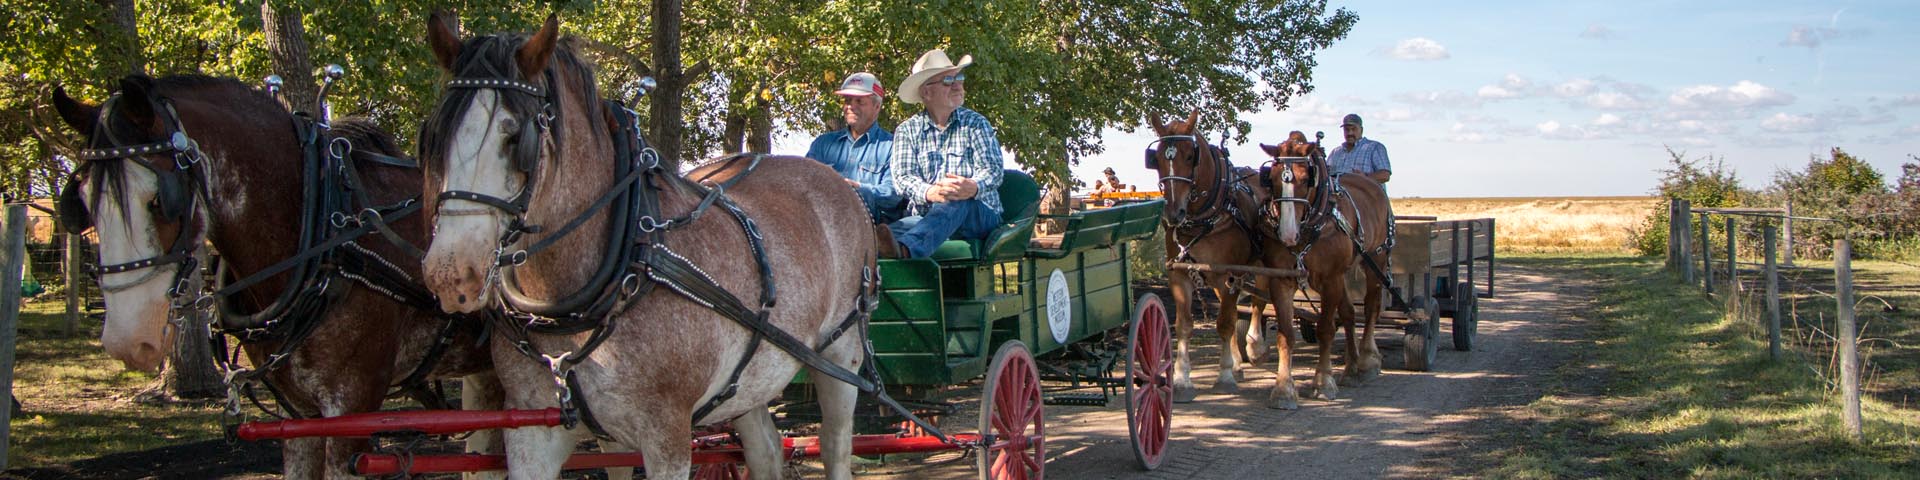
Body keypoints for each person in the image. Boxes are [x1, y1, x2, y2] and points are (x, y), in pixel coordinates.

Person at [886, 48, 1004, 258]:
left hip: (977, 214)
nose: (958, 84)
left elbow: (993, 170)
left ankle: (906, 250)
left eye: (959, 77)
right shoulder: (907, 130)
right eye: (948, 80)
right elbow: (902, 177)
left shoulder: (976, 124)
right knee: (881, 234)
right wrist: (929, 192)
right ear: (926, 92)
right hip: (925, 217)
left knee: (956, 198)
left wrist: (972, 186)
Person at [806, 72, 906, 224]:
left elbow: (893, 195)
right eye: (847, 101)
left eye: (859, 101)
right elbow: (804, 183)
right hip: (822, 224)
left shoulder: (893, 147)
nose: (851, 107)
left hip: (871, 228)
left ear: (877, 106)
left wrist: (857, 190)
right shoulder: (822, 144)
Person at [1327, 113, 1392, 184]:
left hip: (1367, 194)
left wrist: (1364, 178)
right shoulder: (1335, 152)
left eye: (1353, 129)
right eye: (1346, 130)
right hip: (1340, 194)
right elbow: (1326, 175)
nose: (1350, 133)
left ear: (1361, 130)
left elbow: (1385, 175)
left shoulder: (1374, 147)